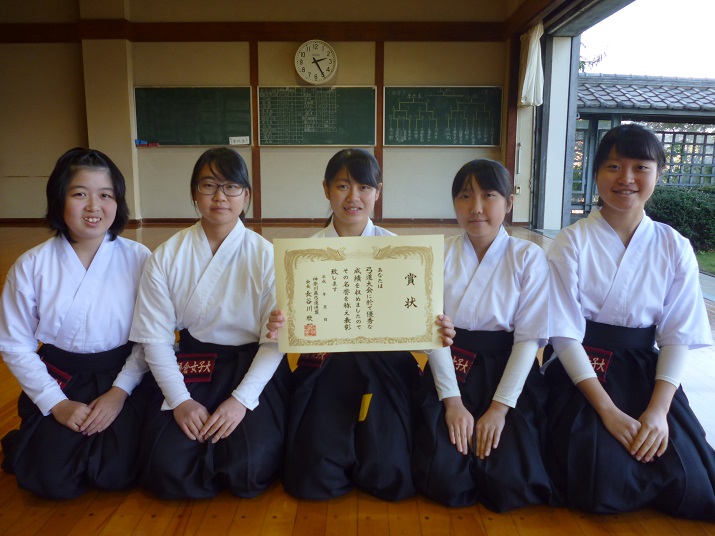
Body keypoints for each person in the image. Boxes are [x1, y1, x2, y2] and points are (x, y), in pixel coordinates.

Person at [266, 148, 463, 501]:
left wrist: (451, 396)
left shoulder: (402, 253)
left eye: (364, 187)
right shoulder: (301, 255)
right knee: (313, 478)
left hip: (386, 366)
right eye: (343, 186)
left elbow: (424, 334)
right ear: (326, 189)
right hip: (325, 366)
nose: (353, 197)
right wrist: (278, 325)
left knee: (390, 474)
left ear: (378, 191)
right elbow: (287, 330)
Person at [544, 124, 715, 520]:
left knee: (695, 480)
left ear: (658, 174)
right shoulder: (572, 241)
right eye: (614, 167)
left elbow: (677, 335)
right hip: (583, 368)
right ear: (596, 174)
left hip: (644, 369)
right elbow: (563, 335)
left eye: (641, 167)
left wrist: (658, 411)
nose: (626, 178)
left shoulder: (674, 246)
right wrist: (607, 411)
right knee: (599, 478)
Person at [130, 147, 289, 500]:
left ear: (246, 196)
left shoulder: (266, 256)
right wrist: (180, 401)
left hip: (252, 364)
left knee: (250, 466)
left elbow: (275, 341)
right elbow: (155, 339)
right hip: (191, 362)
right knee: (165, 465)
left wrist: (241, 401)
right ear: (194, 193)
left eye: (231, 186)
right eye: (209, 185)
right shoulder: (166, 257)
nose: (220, 196)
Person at [0, 147, 150, 499]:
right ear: (59, 199)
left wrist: (118, 393)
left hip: (123, 375)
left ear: (118, 202)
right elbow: (15, 345)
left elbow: (151, 336)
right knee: (49, 480)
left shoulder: (139, 259)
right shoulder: (32, 265)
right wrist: (56, 403)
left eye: (105, 195)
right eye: (80, 194)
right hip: (61, 378)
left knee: (118, 474)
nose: (94, 207)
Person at [411, 159, 556, 511]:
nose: (475, 207)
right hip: (450, 365)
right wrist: (452, 402)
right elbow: (433, 334)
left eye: (488, 195)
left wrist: (499, 409)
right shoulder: (437, 254)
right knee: (443, 479)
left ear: (509, 202)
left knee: (512, 482)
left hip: (507, 368)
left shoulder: (528, 257)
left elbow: (528, 339)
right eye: (465, 196)